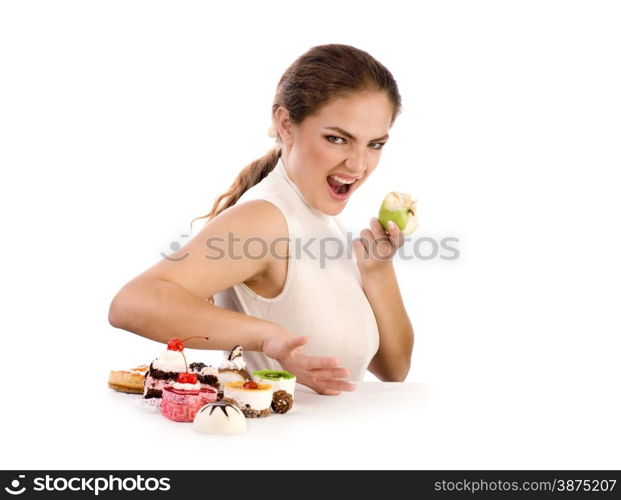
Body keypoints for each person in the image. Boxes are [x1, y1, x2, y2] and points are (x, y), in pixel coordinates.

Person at [108, 43, 414, 395]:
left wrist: (378, 271)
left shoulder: (322, 220)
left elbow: (395, 370)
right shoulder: (267, 218)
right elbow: (131, 303)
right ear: (285, 124)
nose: (359, 165)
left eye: (375, 145)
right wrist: (268, 338)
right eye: (336, 139)